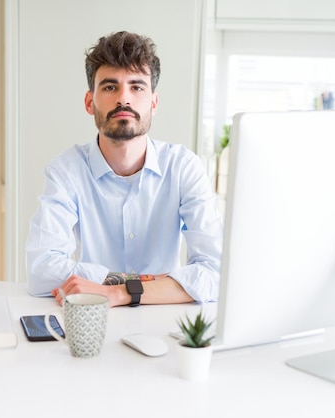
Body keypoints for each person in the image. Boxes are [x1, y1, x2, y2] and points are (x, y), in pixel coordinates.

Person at [26, 31, 222, 307]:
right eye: (109, 87)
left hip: (163, 319)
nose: (124, 99)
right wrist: (154, 283)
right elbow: (41, 273)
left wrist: (117, 291)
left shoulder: (183, 167)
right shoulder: (65, 170)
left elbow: (216, 271)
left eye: (137, 87)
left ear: (153, 103)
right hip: (92, 317)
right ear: (89, 102)